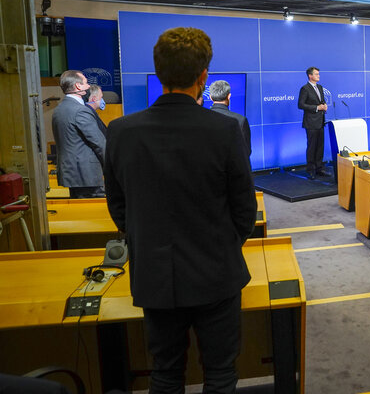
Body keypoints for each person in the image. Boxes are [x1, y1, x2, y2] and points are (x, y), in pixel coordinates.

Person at [104, 27, 256, 393]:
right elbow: (244, 209)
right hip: (216, 271)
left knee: (166, 373)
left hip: (155, 273)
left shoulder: (122, 131)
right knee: (220, 372)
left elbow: (118, 207)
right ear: (204, 76)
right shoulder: (225, 130)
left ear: (159, 74)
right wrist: (223, 244)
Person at [51, 70, 106, 198]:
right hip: (87, 175)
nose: (88, 86)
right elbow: (99, 143)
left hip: (73, 175)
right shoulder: (80, 111)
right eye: (86, 83)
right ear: (78, 86)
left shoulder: (59, 109)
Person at [298, 66, 328, 179]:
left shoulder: (320, 87)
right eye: (316, 74)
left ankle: (319, 168)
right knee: (312, 147)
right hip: (311, 122)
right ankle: (311, 170)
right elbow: (301, 105)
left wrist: (324, 106)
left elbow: (322, 101)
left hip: (321, 121)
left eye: (318, 74)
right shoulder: (305, 89)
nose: (318, 76)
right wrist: (317, 107)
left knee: (320, 146)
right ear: (310, 76)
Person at [209, 79, 251, 159]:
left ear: (211, 97)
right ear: (229, 96)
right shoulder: (240, 120)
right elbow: (246, 152)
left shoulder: (202, 118)